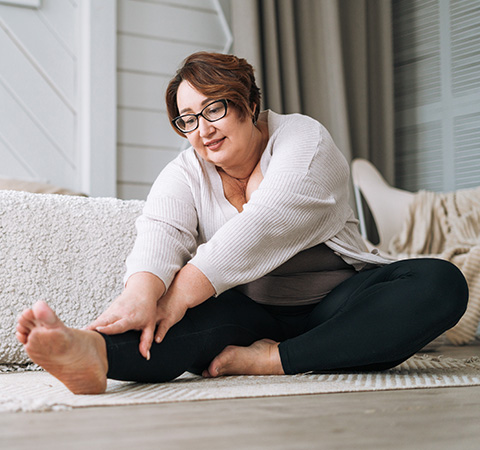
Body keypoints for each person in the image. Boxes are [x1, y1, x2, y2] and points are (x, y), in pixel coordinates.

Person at [16, 52, 468, 395]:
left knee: (439, 281)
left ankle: (275, 360)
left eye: (215, 109)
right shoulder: (185, 171)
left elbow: (263, 225)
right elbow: (160, 231)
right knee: (178, 317)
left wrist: (178, 293)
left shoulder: (304, 141)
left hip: (338, 304)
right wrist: (142, 293)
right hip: (251, 314)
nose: (202, 130)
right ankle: (92, 355)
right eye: (187, 119)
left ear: (249, 103)